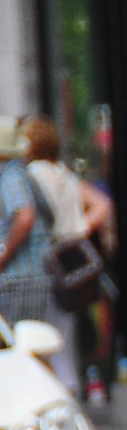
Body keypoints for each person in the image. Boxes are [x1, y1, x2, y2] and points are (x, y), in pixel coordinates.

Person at [20, 116, 109, 388]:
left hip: (43, 261)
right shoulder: (63, 173)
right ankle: (69, 398)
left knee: (37, 337)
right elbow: (102, 204)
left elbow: (24, 218)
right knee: (62, 340)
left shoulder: (31, 174)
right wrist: (78, 229)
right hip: (68, 262)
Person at [0, 120, 54, 342]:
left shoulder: (10, 176)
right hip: (31, 275)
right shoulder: (20, 173)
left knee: (15, 347)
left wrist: (3, 254)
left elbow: (25, 217)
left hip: (18, 279)